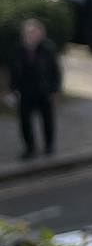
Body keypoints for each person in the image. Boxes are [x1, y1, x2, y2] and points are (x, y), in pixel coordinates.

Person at [8, 17, 62, 160]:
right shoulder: (19, 50)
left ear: (40, 34)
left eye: (34, 33)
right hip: (25, 91)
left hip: (44, 90)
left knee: (47, 120)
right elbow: (13, 70)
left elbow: (55, 71)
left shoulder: (47, 49)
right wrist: (13, 89)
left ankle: (49, 146)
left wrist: (55, 90)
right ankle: (30, 148)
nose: (31, 36)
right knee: (25, 122)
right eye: (28, 33)